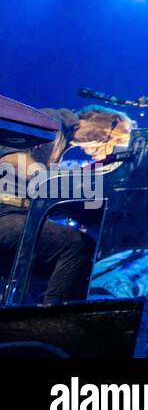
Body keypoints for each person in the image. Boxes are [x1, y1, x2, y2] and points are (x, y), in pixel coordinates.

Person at [0, 106, 128, 304]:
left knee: (81, 265)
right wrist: (51, 180)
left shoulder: (65, 148)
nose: (107, 150)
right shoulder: (53, 120)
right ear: (106, 126)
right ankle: (50, 322)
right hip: (4, 213)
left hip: (18, 215)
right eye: (115, 141)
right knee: (77, 246)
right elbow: (13, 158)